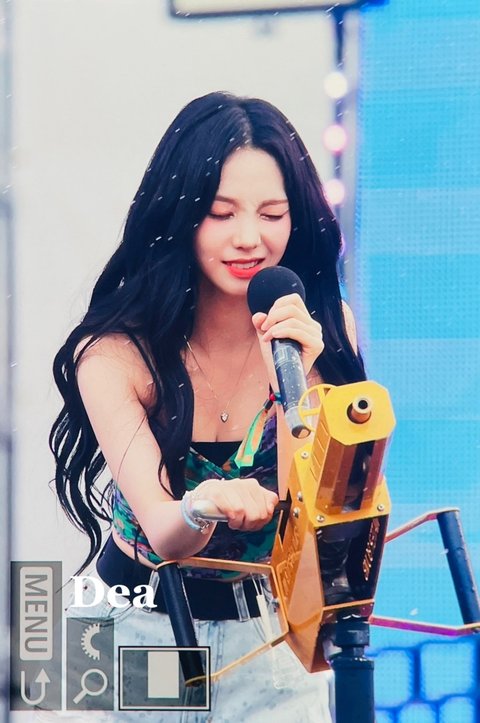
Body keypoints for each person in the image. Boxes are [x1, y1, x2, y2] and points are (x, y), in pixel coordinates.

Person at [48, 91, 366, 722]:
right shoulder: (116, 352)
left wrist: (299, 386)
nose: (249, 238)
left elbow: (320, 515)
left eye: (272, 214)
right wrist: (203, 504)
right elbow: (164, 531)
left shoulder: (321, 333)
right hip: (134, 628)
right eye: (221, 214)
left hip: (269, 636)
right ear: (180, 216)